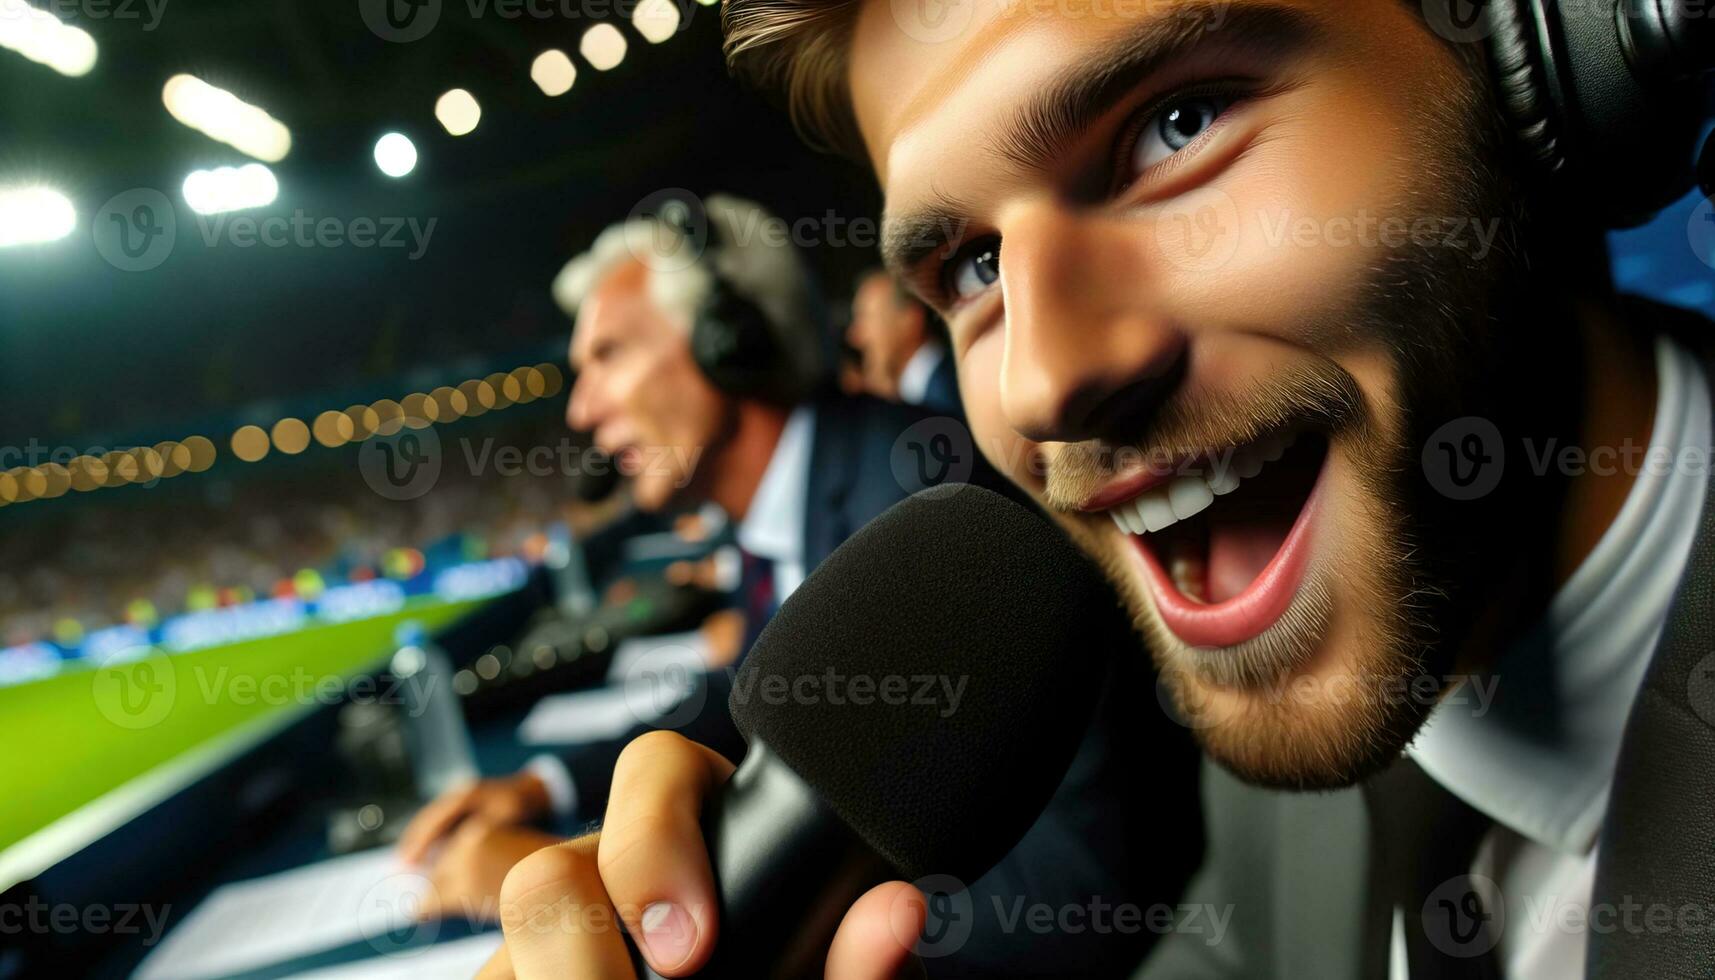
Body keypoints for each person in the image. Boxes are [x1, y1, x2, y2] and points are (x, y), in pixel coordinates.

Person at [482, 2, 1715, 978]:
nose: (1039, 380)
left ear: (1543, 53)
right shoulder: (1287, 738)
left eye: (1173, 126)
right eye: (971, 265)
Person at [847, 269, 960, 414]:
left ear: (910, 320)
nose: (855, 338)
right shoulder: (913, 395)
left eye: (865, 318)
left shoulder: (947, 394)